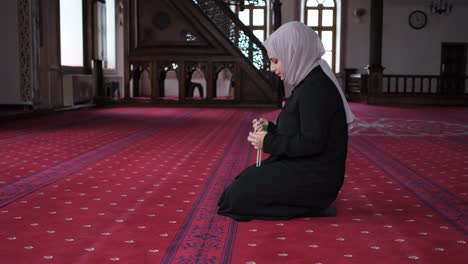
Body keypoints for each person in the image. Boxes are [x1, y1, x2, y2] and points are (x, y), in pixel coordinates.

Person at [217, 21, 355, 221]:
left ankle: (312, 208)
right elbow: (300, 130)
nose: (272, 68)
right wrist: (270, 129)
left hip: (316, 178)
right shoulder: (309, 82)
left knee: (236, 198)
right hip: (306, 168)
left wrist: (268, 142)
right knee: (240, 186)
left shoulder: (315, 89)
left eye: (275, 61)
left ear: (293, 54)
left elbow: (311, 143)